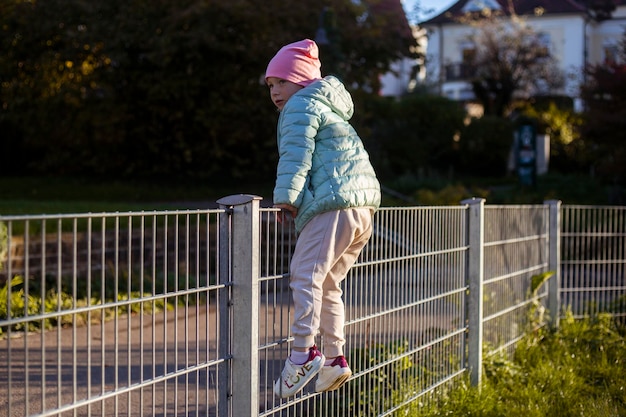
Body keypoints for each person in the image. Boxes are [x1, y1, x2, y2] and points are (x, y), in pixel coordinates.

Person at [265, 39, 381, 398]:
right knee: (329, 282)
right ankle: (334, 359)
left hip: (333, 205)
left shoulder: (300, 106)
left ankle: (302, 354)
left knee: (304, 274)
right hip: (362, 208)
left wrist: (286, 201)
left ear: (301, 80)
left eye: (281, 81)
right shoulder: (328, 106)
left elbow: (296, 157)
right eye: (270, 85)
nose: (274, 92)